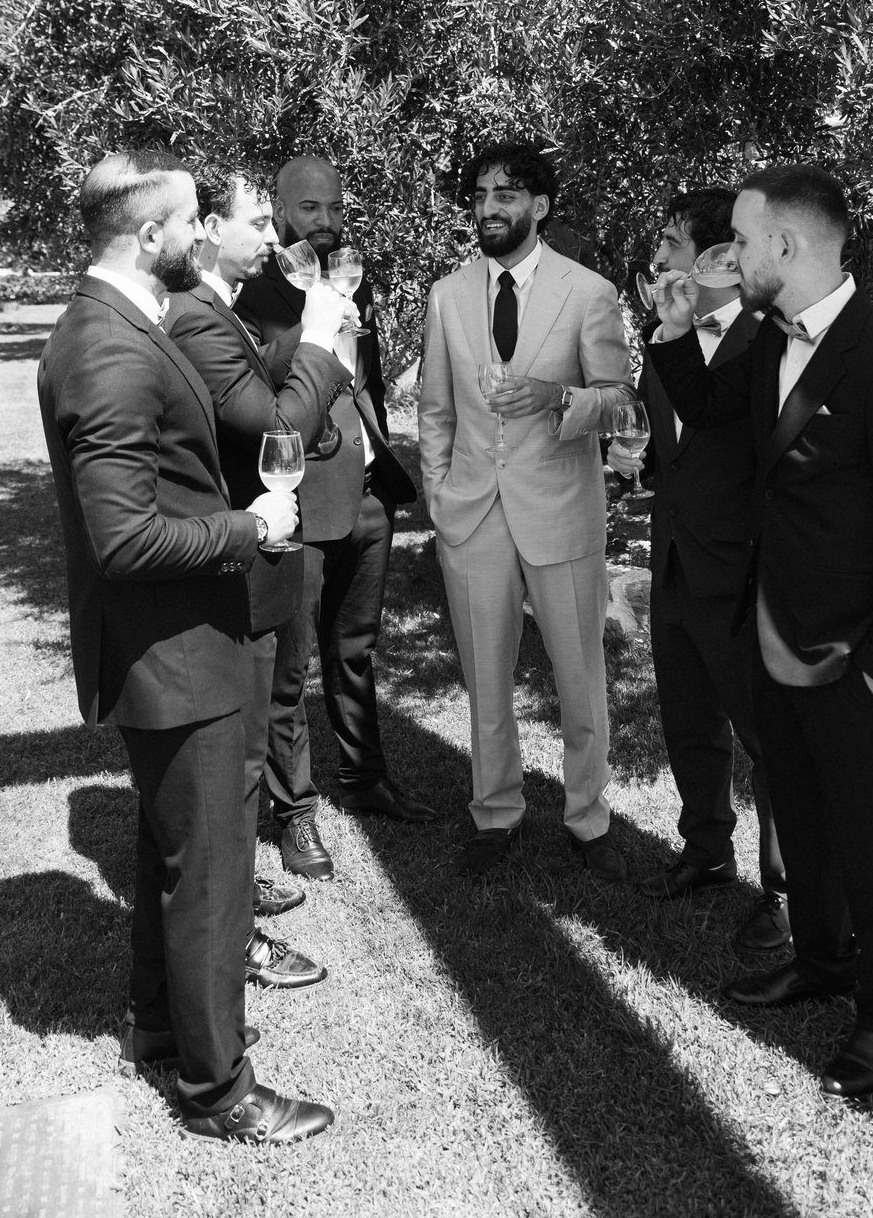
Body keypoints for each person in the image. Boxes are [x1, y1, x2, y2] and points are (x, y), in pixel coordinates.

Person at [38, 146, 332, 1144]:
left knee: (179, 858)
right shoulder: (109, 346)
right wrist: (251, 530)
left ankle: (163, 1032)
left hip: (178, 642)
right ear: (149, 234)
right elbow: (122, 539)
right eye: (193, 218)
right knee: (207, 874)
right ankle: (220, 1089)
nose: (205, 232)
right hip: (174, 649)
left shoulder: (120, 320)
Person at [649, 163, 873, 1097]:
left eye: (738, 240)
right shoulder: (757, 338)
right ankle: (821, 959)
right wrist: (667, 327)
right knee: (804, 815)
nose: (726, 256)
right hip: (766, 631)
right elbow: (708, 419)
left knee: (867, 835)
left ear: (784, 245)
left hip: (851, 654)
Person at [418, 141, 635, 880]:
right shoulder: (446, 295)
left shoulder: (588, 292)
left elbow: (618, 400)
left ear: (539, 207)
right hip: (471, 513)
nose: (487, 208)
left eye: (505, 194)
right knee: (484, 675)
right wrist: (440, 497)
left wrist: (555, 400)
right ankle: (495, 812)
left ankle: (586, 816)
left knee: (579, 674)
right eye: (479, 194)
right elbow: (435, 410)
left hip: (561, 509)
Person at [164, 170, 354, 991]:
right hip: (231, 563)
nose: (272, 237)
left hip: (263, 556)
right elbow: (277, 422)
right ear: (209, 228)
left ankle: (240, 889)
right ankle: (233, 937)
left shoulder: (224, 309)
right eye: (255, 220)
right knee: (231, 762)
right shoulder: (196, 316)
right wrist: (318, 334)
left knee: (250, 744)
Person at [235, 155, 432, 874]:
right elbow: (258, 404)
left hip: (369, 495)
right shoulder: (249, 298)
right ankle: (295, 813)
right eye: (311, 209)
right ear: (283, 212)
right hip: (298, 499)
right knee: (290, 666)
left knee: (354, 649)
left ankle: (364, 776)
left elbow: (366, 381)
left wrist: (379, 461)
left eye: (335, 209)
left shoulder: (354, 278)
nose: (326, 222)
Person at [608, 188, 788, 952]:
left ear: (719, 256)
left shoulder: (767, 342)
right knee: (688, 724)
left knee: (768, 740)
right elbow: (667, 441)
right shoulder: (661, 336)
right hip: (675, 561)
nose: (657, 262)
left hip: (745, 574)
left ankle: (784, 892)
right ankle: (706, 849)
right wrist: (632, 459)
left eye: (671, 246)